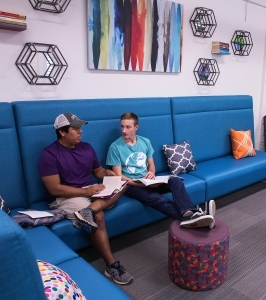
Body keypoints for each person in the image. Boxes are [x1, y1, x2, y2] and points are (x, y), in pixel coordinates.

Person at [38, 113, 133, 285]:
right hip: (65, 196)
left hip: (89, 193)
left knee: (123, 184)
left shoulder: (86, 147)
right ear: (62, 132)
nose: (80, 132)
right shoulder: (49, 155)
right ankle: (111, 266)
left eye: (80, 128)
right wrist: (87, 191)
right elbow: (54, 188)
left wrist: (107, 173)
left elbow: (97, 171)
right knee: (98, 216)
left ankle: (88, 210)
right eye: (75, 129)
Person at [106, 112, 216, 229]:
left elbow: (152, 165)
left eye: (128, 127)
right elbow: (119, 176)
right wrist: (144, 185)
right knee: (158, 199)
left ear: (136, 127)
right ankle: (197, 217)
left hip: (149, 181)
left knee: (175, 180)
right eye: (122, 126)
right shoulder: (115, 147)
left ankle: (190, 215)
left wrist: (151, 174)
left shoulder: (145, 142)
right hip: (132, 186)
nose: (124, 130)